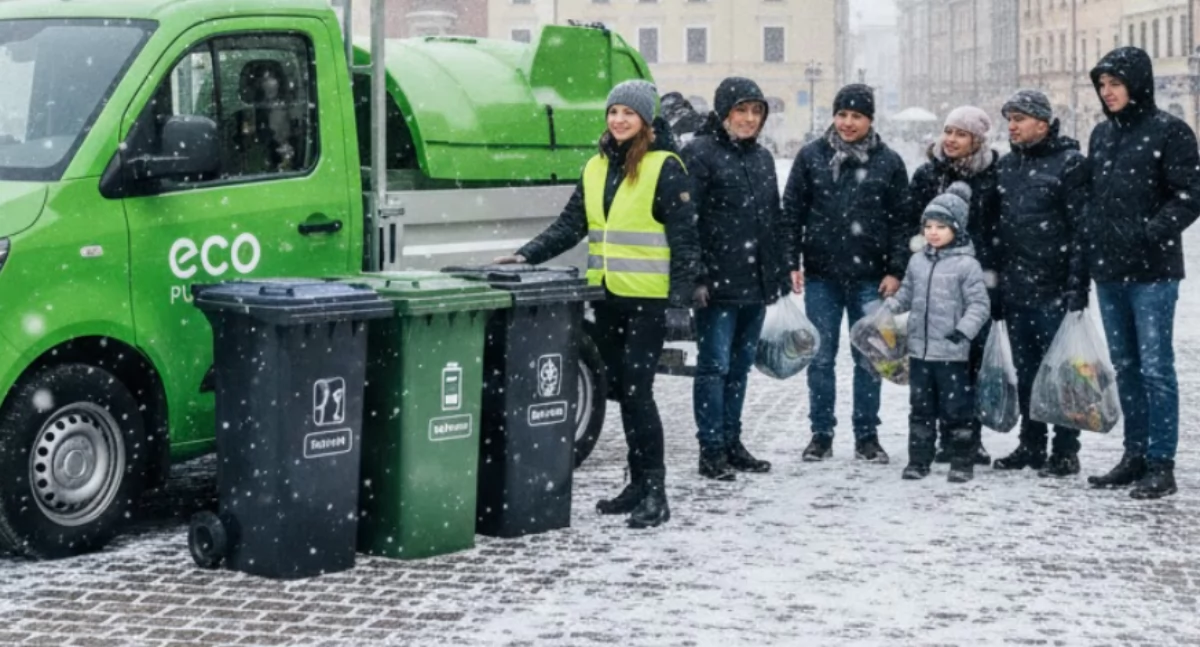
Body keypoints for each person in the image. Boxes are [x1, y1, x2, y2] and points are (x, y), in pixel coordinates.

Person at [495, 80, 701, 526]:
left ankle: (656, 491)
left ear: (646, 120)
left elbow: (686, 241)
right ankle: (636, 484)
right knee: (623, 394)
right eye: (613, 112)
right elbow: (571, 224)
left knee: (639, 393)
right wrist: (527, 253)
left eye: (629, 113)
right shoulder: (595, 167)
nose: (619, 120)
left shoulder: (665, 167)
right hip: (607, 298)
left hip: (647, 301)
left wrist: (679, 304)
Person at [1083, 48, 1200, 499]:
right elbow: (1096, 196)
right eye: (1102, 85)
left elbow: (1190, 194)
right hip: (1110, 272)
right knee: (1126, 368)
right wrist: (1096, 238)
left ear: (1136, 83)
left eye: (1115, 83)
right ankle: (1134, 456)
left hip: (1153, 274)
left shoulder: (1170, 132)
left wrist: (1152, 232)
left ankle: (1161, 463)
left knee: (1155, 369)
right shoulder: (1102, 134)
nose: (1107, 92)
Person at [783, 83, 911, 464]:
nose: (847, 123)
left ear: (870, 119)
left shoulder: (888, 162)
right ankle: (821, 434)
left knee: (869, 357)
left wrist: (896, 270)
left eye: (856, 116)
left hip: (871, 278)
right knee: (820, 357)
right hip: (822, 275)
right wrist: (792, 261)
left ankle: (866, 436)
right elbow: (791, 212)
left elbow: (902, 221)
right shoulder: (811, 157)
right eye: (842, 114)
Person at [682, 77, 791, 481]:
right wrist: (696, 276)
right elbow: (687, 222)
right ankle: (710, 449)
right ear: (724, 112)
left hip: (755, 283)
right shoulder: (700, 153)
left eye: (756, 111)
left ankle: (731, 442)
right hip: (717, 285)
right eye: (741, 111)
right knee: (714, 367)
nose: (748, 119)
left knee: (740, 367)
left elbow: (772, 219)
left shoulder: (762, 158)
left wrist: (777, 270)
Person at [989, 90, 1090, 478]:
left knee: (1063, 372)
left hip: (1055, 287)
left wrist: (1077, 287)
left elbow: (1081, 230)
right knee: (1027, 370)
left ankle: (1066, 449)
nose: (1012, 126)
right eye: (1009, 119)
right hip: (1017, 287)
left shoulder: (1070, 164)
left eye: (1020, 119)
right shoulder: (1007, 166)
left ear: (1043, 123)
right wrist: (996, 286)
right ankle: (1031, 444)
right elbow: (998, 230)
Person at [907, 106, 1000, 467]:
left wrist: (990, 270)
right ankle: (936, 439)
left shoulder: (993, 174)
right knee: (937, 366)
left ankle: (966, 438)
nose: (951, 139)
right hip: (935, 282)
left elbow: (999, 226)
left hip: (977, 278)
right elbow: (910, 222)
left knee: (970, 363)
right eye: (948, 130)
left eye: (961, 133)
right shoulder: (928, 174)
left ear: (977, 139)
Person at [884, 183, 990, 482]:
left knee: (957, 410)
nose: (932, 232)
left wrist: (963, 331)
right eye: (928, 226)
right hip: (920, 351)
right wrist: (889, 309)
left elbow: (979, 305)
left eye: (941, 226)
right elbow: (906, 293)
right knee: (920, 409)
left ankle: (961, 462)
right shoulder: (917, 261)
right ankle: (919, 461)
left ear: (956, 228)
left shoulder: (967, 265)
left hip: (953, 352)